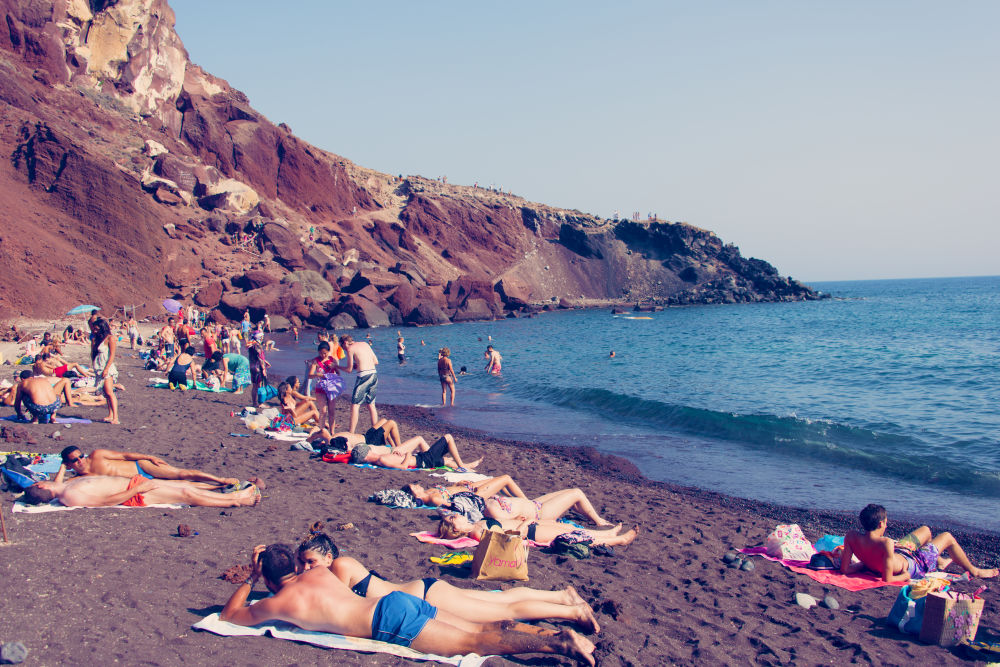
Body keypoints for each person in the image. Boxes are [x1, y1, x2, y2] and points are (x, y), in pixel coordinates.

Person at [219, 544, 595, 664]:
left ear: (268, 579)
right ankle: (557, 633)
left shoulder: (281, 602)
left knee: (477, 642)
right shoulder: (320, 573)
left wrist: (253, 578)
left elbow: (231, 616)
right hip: (399, 601)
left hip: (388, 621)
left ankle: (560, 642)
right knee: (486, 625)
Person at [297, 532, 599, 631]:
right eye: (304, 563)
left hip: (430, 598)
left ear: (328, 556)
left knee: (505, 611)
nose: (308, 568)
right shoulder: (334, 569)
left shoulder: (340, 566)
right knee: (499, 600)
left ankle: (573, 612)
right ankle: (562, 595)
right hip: (427, 591)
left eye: (312, 561)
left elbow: (330, 606)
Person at [841, 504, 998, 582]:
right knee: (947, 536)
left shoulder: (852, 537)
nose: (887, 525)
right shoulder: (885, 543)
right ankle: (975, 570)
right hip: (916, 563)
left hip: (899, 554)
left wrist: (864, 564)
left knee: (926, 530)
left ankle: (941, 561)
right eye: (886, 522)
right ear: (881, 524)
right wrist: (906, 575)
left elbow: (845, 569)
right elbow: (887, 579)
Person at [21, 475, 261, 508]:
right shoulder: (69, 496)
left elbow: (58, 479)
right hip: (135, 492)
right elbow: (105, 501)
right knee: (186, 495)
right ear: (41, 486)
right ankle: (235, 500)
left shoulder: (65, 485)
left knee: (185, 488)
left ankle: (231, 496)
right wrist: (139, 487)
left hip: (135, 485)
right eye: (38, 482)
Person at [57, 446, 240, 487]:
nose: (80, 460)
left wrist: (150, 457)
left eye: (80, 456)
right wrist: (62, 468)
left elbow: (124, 455)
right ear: (68, 463)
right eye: (75, 460)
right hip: (139, 482)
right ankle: (221, 487)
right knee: (185, 485)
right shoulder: (79, 478)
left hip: (140, 467)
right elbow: (58, 486)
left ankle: (221, 479)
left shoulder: (96, 455)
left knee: (182, 474)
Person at [440, 514, 639, 548]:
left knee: (570, 527)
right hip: (530, 532)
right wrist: (523, 526)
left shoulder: (478, 522)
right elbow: (505, 539)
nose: (454, 516)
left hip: (529, 525)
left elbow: (502, 524)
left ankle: (609, 534)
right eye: (451, 519)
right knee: (572, 536)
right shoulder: (476, 533)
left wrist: (518, 520)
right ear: (455, 530)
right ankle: (620, 540)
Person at [354, 433, 480, 471]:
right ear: (366, 454)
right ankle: (463, 465)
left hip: (423, 459)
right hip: (423, 460)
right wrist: (407, 454)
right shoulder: (382, 459)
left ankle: (468, 467)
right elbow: (403, 467)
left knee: (446, 461)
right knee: (448, 437)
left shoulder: (380, 459)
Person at [340, 335, 378, 433]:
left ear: (345, 343)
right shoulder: (365, 344)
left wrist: (337, 366)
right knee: (371, 405)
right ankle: (376, 432)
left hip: (363, 376)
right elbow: (375, 361)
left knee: (355, 405)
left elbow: (348, 369)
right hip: (373, 374)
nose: (344, 350)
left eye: (343, 348)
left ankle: (351, 433)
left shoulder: (350, 349)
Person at [89, 317, 119, 424]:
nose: (94, 331)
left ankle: (115, 417)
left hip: (107, 368)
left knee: (110, 392)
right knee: (106, 393)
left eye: (97, 329)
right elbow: (93, 353)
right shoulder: (95, 339)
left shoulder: (110, 338)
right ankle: (110, 414)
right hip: (99, 367)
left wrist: (106, 369)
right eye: (94, 329)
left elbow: (112, 355)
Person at [308, 342, 342, 432]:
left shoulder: (332, 360)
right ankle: (321, 431)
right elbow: (310, 375)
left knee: (332, 411)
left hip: (331, 388)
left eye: (325, 353)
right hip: (320, 388)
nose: (323, 355)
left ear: (328, 352)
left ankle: (332, 431)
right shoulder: (316, 361)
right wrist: (318, 374)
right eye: (321, 353)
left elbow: (338, 373)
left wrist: (334, 367)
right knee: (323, 411)